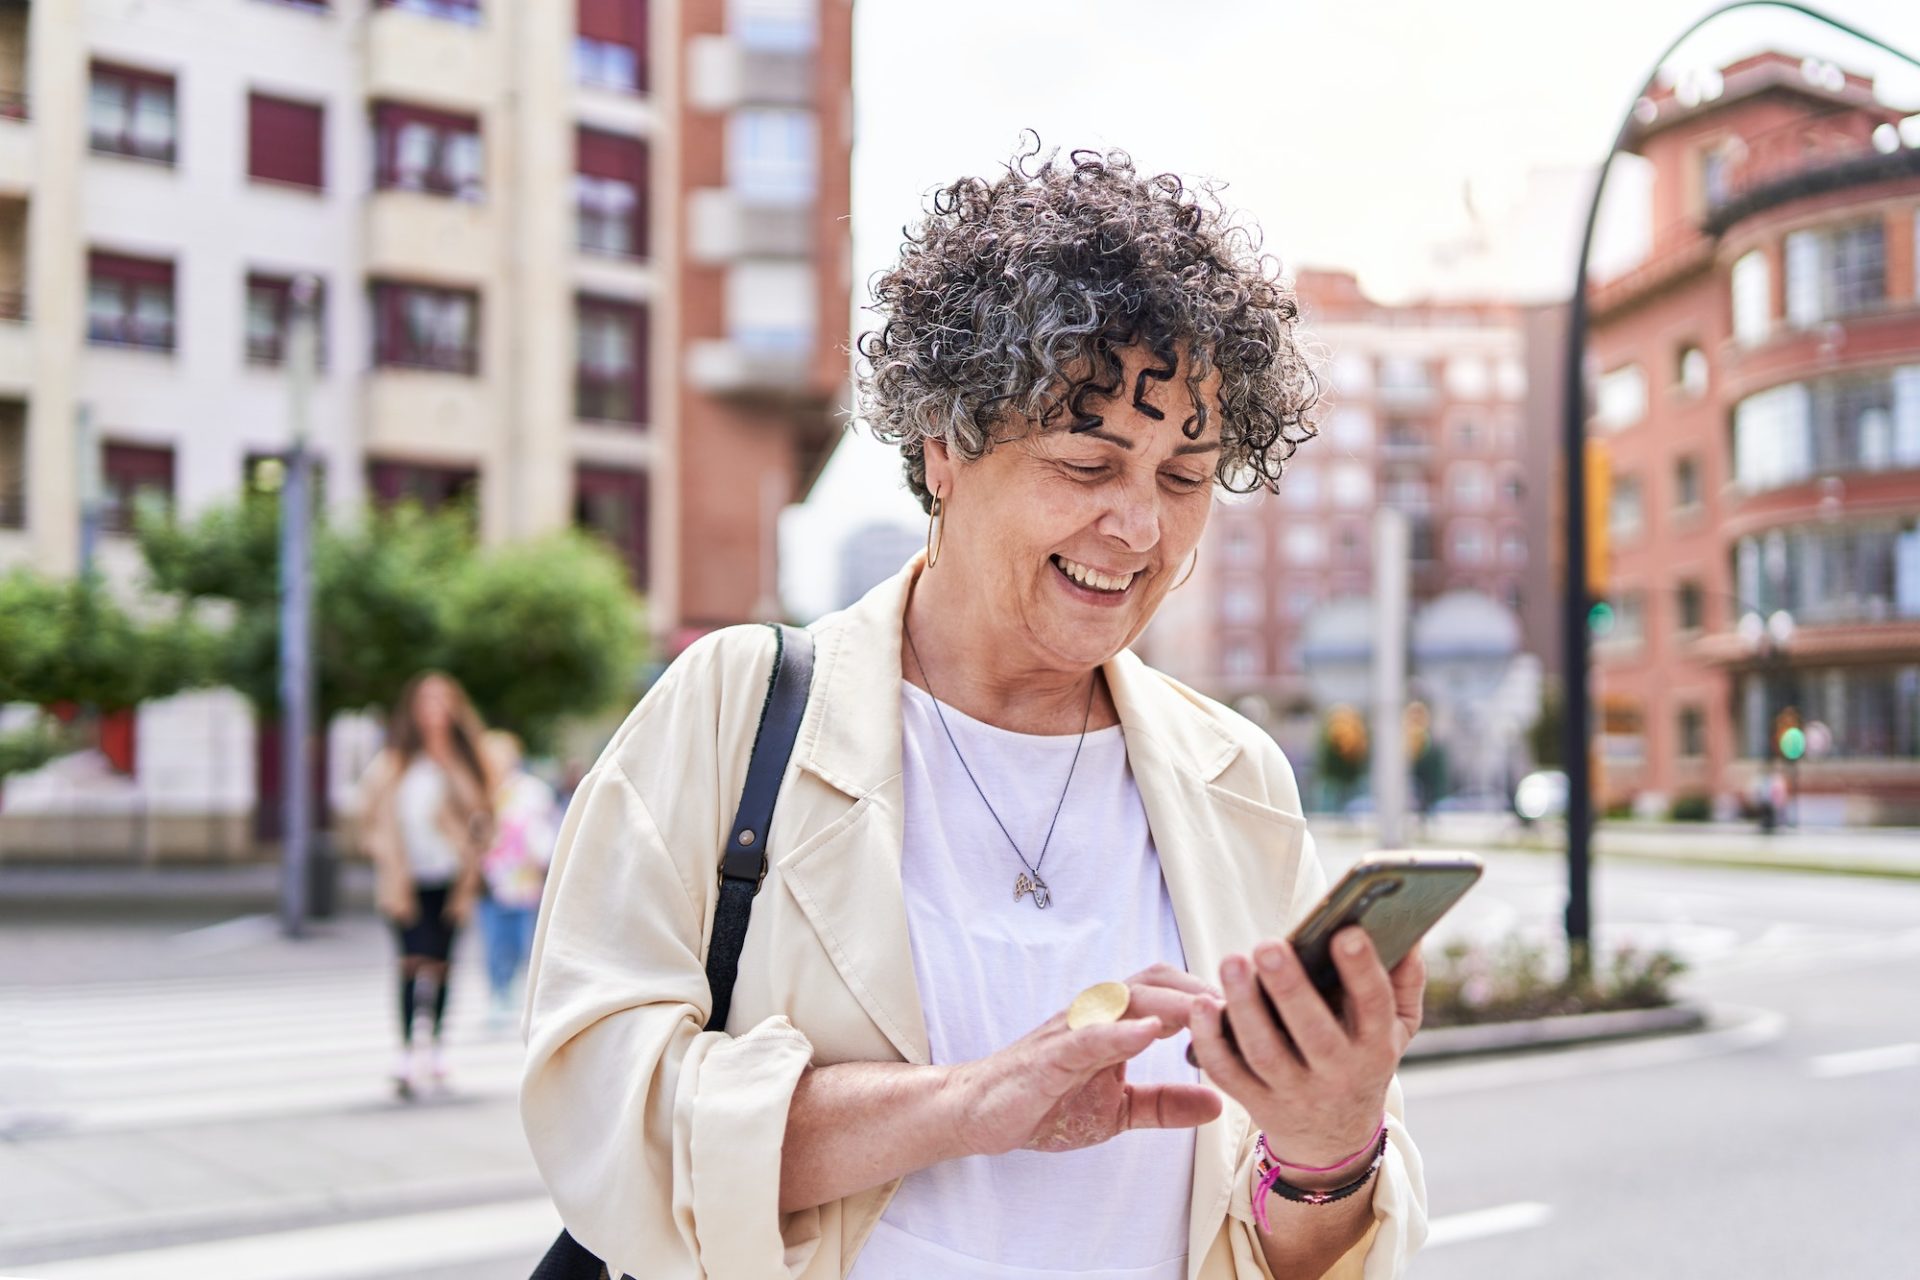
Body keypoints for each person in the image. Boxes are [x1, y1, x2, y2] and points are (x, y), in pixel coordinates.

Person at [522, 144, 1428, 1279]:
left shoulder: (1236, 776)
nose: (1140, 528)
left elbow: (1300, 1247)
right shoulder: (739, 703)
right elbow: (597, 1114)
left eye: (1183, 477)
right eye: (1089, 462)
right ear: (946, 444)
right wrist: (972, 1101)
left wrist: (1329, 1145)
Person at [356, 671, 495, 1098]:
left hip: (450, 879)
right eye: (425, 702)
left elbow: (485, 815)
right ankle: (405, 1053)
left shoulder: (464, 760)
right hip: (405, 880)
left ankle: (434, 1048)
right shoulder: (393, 762)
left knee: (441, 962)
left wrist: (469, 848)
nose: (433, 710)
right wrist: (384, 853)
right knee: (410, 961)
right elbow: (367, 820)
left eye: (441, 701)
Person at [477, 730, 559, 1026]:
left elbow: (546, 828)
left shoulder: (530, 790)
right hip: (487, 881)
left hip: (524, 879)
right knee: (493, 939)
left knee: (520, 939)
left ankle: (513, 990)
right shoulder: (478, 790)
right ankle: (498, 991)